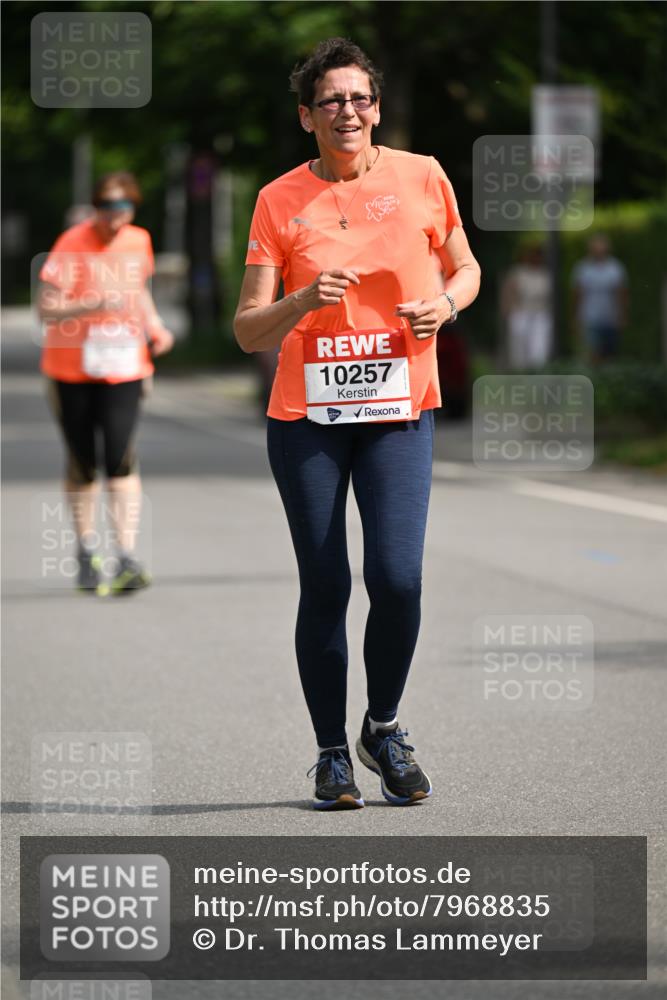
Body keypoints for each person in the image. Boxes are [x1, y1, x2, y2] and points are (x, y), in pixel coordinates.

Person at [234, 38, 480, 810]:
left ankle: (382, 725)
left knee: (398, 578)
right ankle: (331, 754)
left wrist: (443, 305)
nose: (349, 110)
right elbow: (247, 330)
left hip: (399, 409)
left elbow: (465, 269)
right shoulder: (279, 200)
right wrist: (302, 300)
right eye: (332, 100)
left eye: (360, 98)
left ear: (376, 108)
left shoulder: (423, 176)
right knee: (326, 582)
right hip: (307, 415)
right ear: (307, 116)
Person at [38, 171, 174, 595]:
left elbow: (140, 292)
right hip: (71, 368)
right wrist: (91, 304)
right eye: (106, 210)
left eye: (123, 209)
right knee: (83, 462)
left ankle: (128, 557)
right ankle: (85, 550)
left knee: (120, 456)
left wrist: (155, 327)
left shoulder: (139, 240)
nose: (115, 219)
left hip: (124, 365)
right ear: (95, 209)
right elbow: (46, 309)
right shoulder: (72, 243)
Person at [571, 234, 628, 362]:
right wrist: (575, 317)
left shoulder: (616, 268)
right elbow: (577, 295)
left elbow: (621, 293)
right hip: (590, 317)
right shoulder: (582, 268)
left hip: (610, 317)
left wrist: (622, 315)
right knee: (593, 353)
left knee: (610, 353)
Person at [500, 243, 552, 369]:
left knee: (538, 352)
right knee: (518, 351)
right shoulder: (517, 273)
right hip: (520, 313)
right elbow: (507, 293)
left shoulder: (545, 274)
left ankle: (537, 376)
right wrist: (507, 311)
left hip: (540, 315)